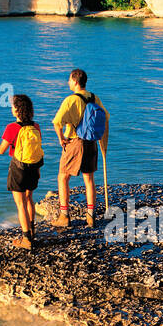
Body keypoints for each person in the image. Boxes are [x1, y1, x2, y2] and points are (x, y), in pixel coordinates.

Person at [0, 94, 44, 250]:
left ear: (18, 110)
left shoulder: (12, 128)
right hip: (34, 168)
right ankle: (32, 232)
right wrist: (38, 170)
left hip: (18, 169)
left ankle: (26, 239)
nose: (11, 109)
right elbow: (37, 150)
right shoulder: (36, 126)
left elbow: (1, 150)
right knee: (29, 199)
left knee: (20, 203)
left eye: (13, 106)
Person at [51, 68, 108, 228]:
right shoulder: (94, 98)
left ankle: (64, 216)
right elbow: (106, 117)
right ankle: (90, 216)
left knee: (63, 176)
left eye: (69, 80)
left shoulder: (71, 100)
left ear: (75, 81)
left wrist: (61, 138)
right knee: (89, 179)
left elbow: (57, 122)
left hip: (75, 142)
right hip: (91, 143)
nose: (68, 82)